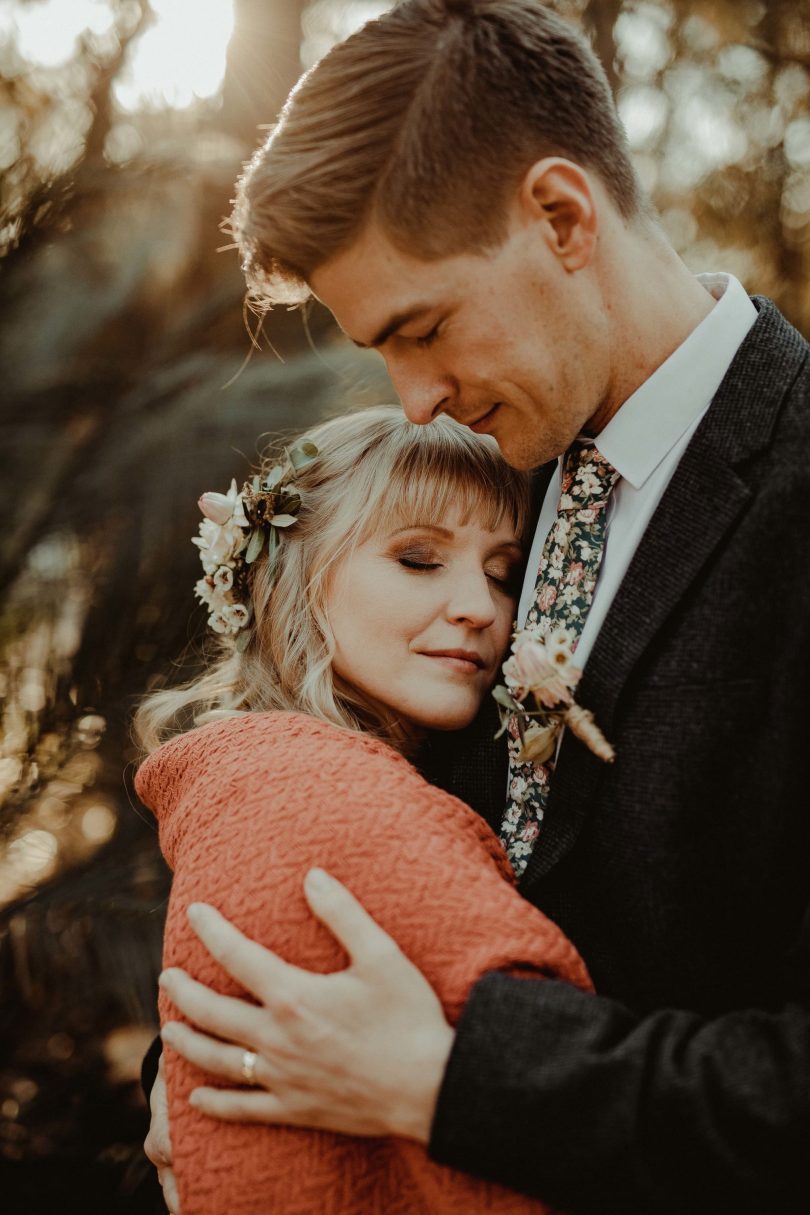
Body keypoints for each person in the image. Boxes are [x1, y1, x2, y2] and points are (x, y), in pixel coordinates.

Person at [148, 2, 810, 1212]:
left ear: (561, 217)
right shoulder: (486, 483)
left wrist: (453, 1082)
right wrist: (210, 1052)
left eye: (425, 329)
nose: (413, 403)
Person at [134, 405, 591, 1214]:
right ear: (292, 577)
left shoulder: (277, 771)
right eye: (418, 558)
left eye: (502, 570)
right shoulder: (326, 794)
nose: (481, 608)